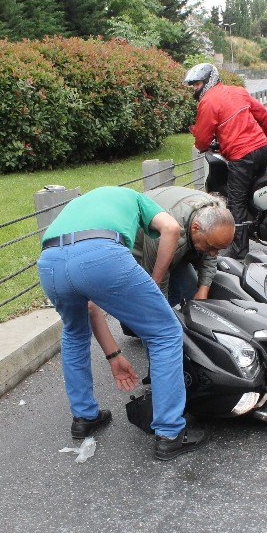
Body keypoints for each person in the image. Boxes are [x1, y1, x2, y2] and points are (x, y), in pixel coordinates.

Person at [38, 186, 207, 460]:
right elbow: (172, 228)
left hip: (50, 262)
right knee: (164, 332)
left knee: (73, 332)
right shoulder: (138, 198)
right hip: (102, 255)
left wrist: (114, 355)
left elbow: (91, 306)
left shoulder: (83, 205)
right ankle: (170, 433)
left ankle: (84, 417)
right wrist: (155, 279)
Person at [184, 63, 267, 260]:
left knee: (236, 201)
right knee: (256, 188)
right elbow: (262, 114)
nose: (195, 88)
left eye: (197, 84)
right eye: (193, 85)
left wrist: (202, 146)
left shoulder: (208, 101)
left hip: (242, 156)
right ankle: (263, 222)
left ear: (209, 81)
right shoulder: (238, 91)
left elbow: (202, 136)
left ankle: (240, 249)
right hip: (262, 148)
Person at [133, 186, 235, 306]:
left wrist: (203, 289)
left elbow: (211, 250)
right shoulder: (164, 234)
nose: (214, 254)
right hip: (136, 244)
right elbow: (157, 283)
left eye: (218, 249)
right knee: (141, 302)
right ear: (195, 228)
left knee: (191, 289)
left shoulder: (214, 211)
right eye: (211, 247)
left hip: (179, 235)